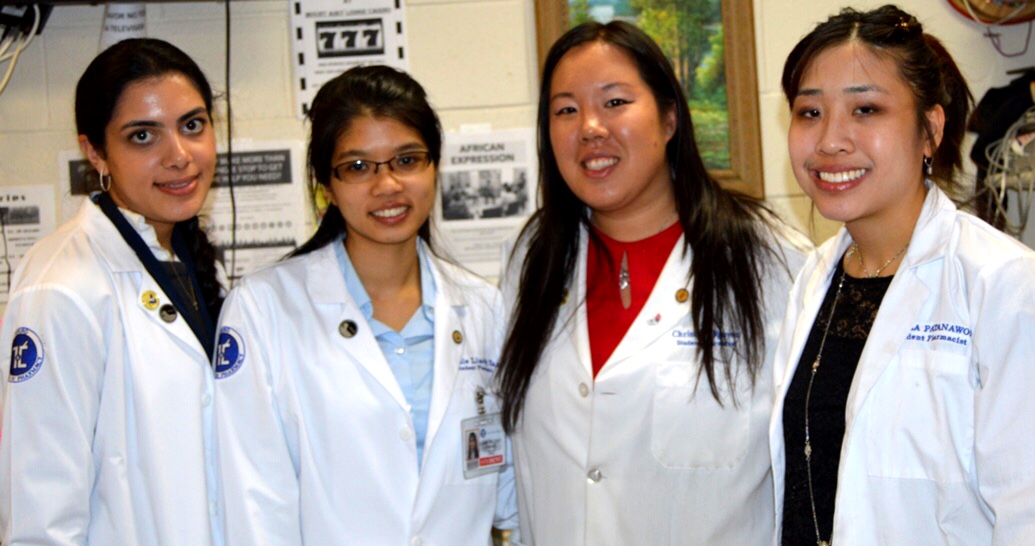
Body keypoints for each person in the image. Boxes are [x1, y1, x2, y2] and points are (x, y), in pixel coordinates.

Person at [496, 21, 809, 544]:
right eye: (566, 109)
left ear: (669, 119)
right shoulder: (531, 258)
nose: (590, 127)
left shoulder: (769, 257)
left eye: (615, 102)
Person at [213, 65, 520, 545]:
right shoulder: (263, 309)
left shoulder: (485, 308)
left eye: (407, 160)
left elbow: (510, 496)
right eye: (357, 167)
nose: (387, 185)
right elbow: (255, 505)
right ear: (326, 187)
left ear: (435, 166)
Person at [771, 5, 1035, 545]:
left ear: (929, 130)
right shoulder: (815, 278)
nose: (830, 141)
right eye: (809, 113)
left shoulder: (1004, 286)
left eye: (865, 109)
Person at [0, 38, 225, 545]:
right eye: (143, 136)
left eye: (193, 125)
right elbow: (40, 512)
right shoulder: (62, 287)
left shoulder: (186, 259)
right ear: (94, 151)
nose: (179, 156)